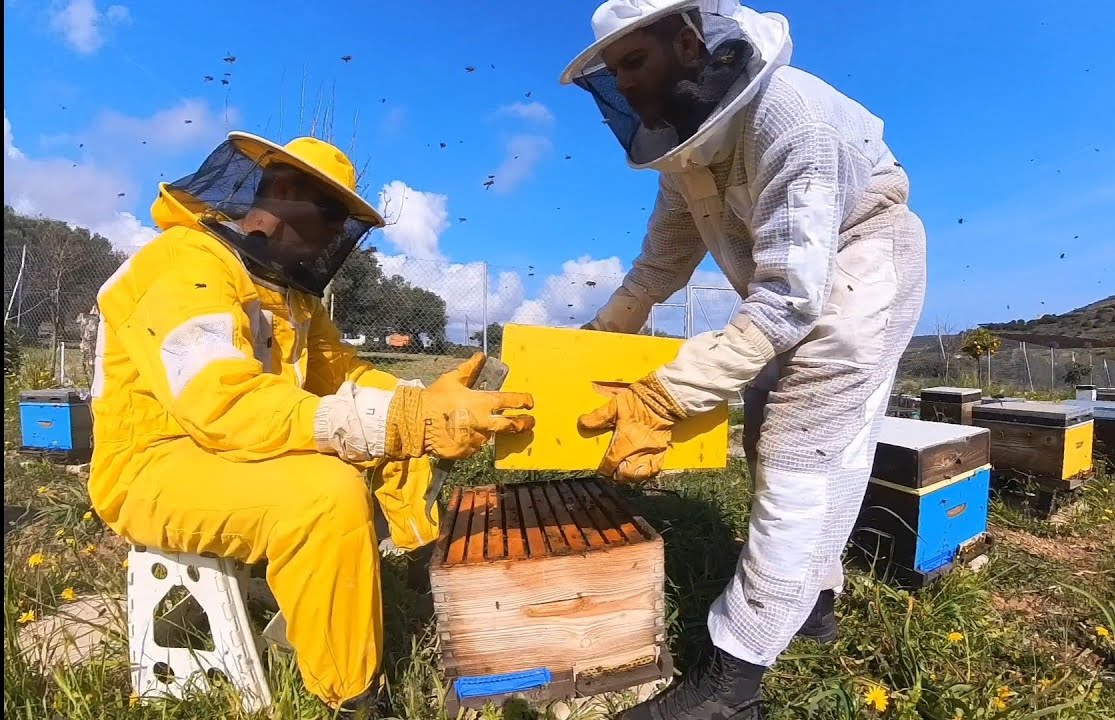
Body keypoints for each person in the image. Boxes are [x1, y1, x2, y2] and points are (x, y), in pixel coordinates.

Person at [87, 132, 535, 716]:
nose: (333, 237)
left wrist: (425, 401)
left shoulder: (293, 300)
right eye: (332, 216)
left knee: (393, 439)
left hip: (231, 451)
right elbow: (224, 404)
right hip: (153, 465)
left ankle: (430, 576)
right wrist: (401, 420)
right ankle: (353, 699)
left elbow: (343, 377)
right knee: (325, 495)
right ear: (283, 190)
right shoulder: (181, 265)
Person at [563, 1, 926, 717]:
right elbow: (657, 268)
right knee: (772, 437)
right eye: (614, 71)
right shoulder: (686, 148)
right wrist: (588, 346)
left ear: (690, 42)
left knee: (800, 459)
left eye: (634, 62)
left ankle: (734, 686)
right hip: (792, 291)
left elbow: (789, 302)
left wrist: (663, 397)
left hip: (862, 269)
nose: (625, 85)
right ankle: (812, 603)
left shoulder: (795, 123)